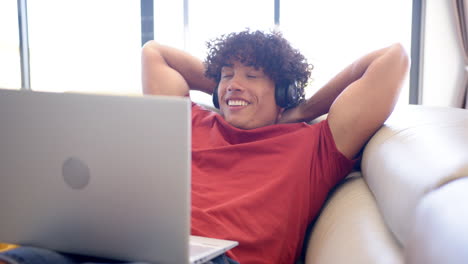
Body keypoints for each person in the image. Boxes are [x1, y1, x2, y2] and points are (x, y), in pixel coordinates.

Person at [0, 29, 409, 264]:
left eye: (252, 75)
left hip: (221, 262)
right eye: (227, 74)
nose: (234, 83)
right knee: (25, 257)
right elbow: (154, 52)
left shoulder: (313, 144)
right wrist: (225, 85)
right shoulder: (189, 119)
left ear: (282, 88)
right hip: (136, 248)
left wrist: (300, 108)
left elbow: (392, 58)